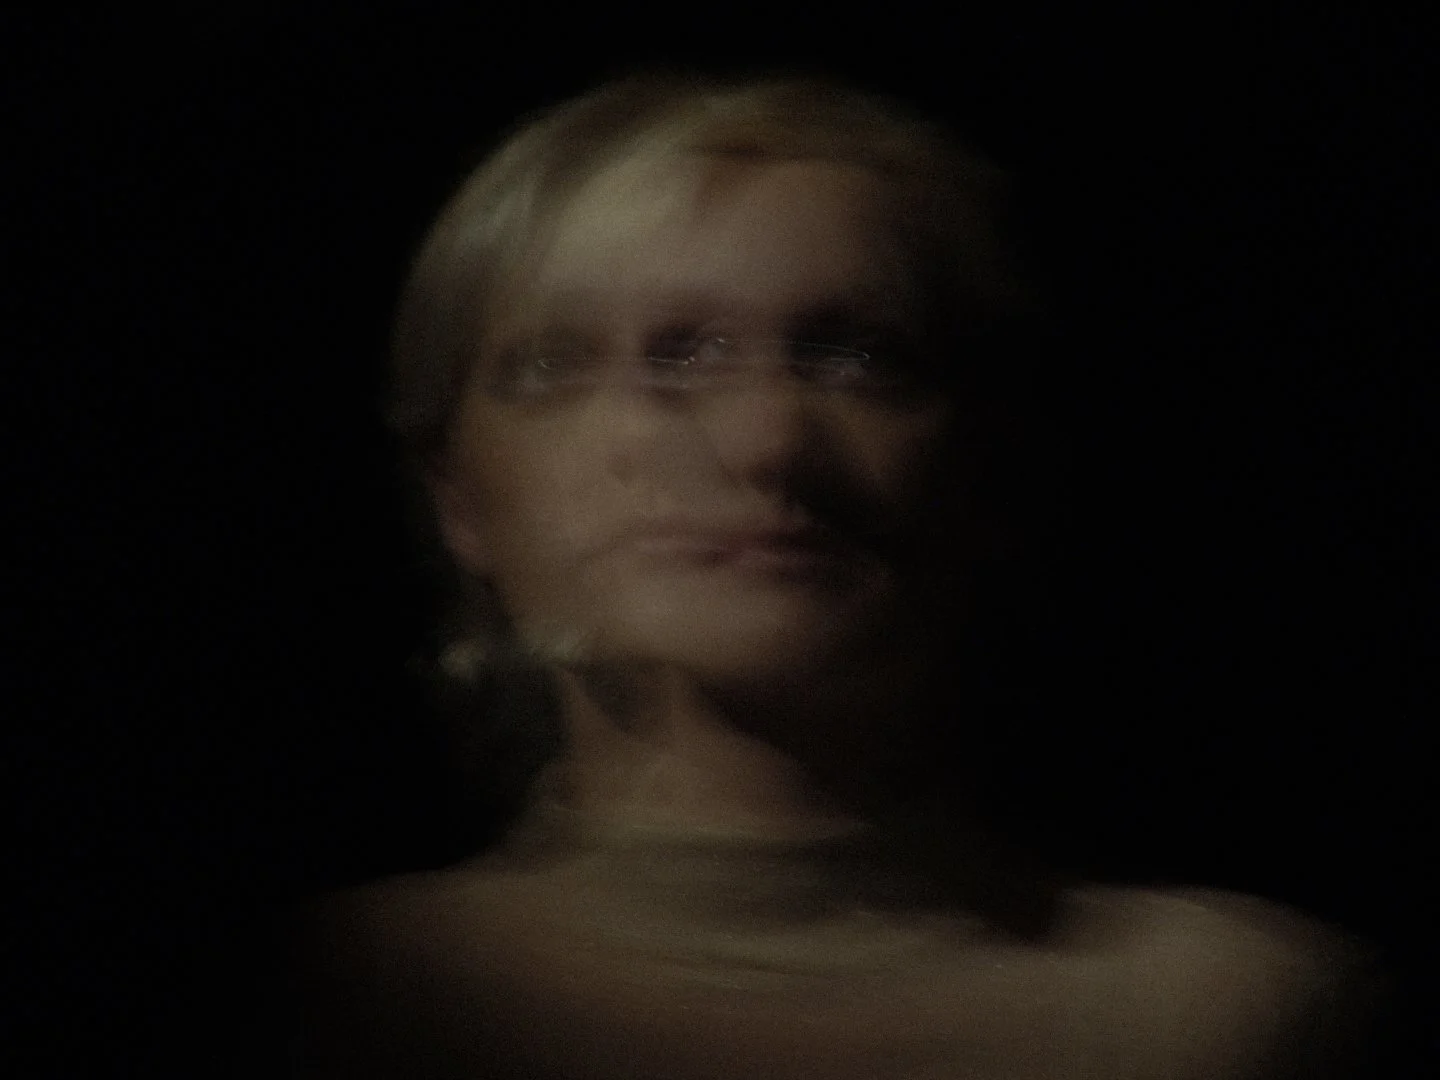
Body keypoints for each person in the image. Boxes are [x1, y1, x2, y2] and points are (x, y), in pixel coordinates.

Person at [295, 72, 1386, 1079]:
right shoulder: (312, 1005)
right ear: (461, 496)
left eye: (860, 357)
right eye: (617, 358)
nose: (769, 439)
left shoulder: (1232, 1022)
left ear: (986, 469)